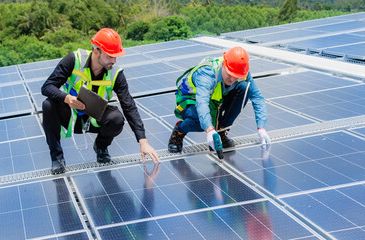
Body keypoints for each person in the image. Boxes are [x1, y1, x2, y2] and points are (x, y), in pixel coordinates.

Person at [41, 28, 160, 174]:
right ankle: (57, 158)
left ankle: (101, 147)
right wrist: (66, 98)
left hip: (94, 120)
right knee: (48, 105)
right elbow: (47, 87)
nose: (114, 61)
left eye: (116, 57)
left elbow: (129, 105)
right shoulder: (74, 60)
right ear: (96, 50)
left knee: (116, 119)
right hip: (71, 116)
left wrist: (143, 141)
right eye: (110, 56)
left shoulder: (116, 73)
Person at [167, 46, 271, 153]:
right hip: (190, 101)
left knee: (245, 88)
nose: (232, 79)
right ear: (223, 65)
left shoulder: (241, 72)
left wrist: (261, 127)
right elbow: (202, 103)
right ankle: (179, 131)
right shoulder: (207, 73)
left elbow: (257, 97)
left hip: (215, 101)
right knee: (202, 122)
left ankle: (221, 131)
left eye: (236, 76)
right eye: (230, 74)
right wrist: (209, 129)